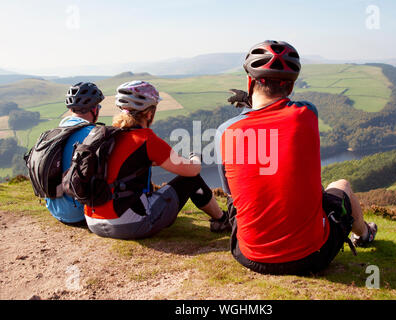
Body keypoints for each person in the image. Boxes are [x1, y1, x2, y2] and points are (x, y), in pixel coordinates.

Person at [215, 40, 377, 275]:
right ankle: (365, 234)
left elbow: (230, 191)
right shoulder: (307, 113)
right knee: (340, 185)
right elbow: (279, 114)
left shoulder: (225, 131)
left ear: (250, 82)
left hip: (249, 255)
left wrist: (247, 107)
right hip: (312, 257)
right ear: (290, 88)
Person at [84, 80, 230, 239]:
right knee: (190, 179)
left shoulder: (108, 136)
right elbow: (192, 170)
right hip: (128, 225)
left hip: (92, 221)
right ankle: (222, 220)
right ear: (148, 113)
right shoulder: (146, 140)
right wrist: (195, 158)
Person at [45, 82, 104, 226]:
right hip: (80, 214)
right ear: (94, 109)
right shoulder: (93, 135)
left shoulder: (54, 133)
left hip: (55, 211)